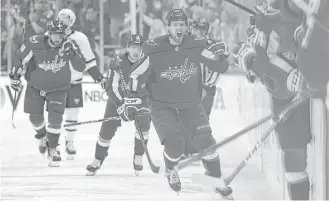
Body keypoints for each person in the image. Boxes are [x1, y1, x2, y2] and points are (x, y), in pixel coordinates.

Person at [119, 9, 233, 198]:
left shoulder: (196, 44)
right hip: (162, 106)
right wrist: (132, 99)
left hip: (191, 104)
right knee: (175, 143)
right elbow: (137, 74)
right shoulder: (153, 47)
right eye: (175, 25)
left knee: (207, 142)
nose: (179, 28)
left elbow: (219, 66)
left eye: (182, 24)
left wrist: (224, 54)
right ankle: (171, 169)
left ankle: (217, 181)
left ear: (186, 26)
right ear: (168, 27)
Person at [238, 1, 312, 199]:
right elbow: (258, 62)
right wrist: (285, 79)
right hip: (288, 100)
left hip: (314, 90)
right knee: (295, 162)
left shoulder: (319, 9)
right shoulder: (271, 14)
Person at [9, 19, 85, 167]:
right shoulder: (34, 43)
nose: (59, 38)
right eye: (55, 34)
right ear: (49, 34)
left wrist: (73, 55)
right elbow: (20, 58)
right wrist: (15, 76)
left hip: (59, 88)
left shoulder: (69, 45)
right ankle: (42, 136)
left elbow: (81, 67)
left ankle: (53, 149)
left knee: (55, 120)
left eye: (61, 34)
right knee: (34, 118)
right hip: (35, 87)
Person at [86, 34, 151, 176]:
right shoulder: (117, 62)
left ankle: (138, 155)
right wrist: (121, 104)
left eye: (139, 47)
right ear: (127, 48)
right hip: (119, 98)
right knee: (107, 128)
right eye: (133, 47)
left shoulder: (148, 61)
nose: (136, 51)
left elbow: (153, 85)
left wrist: (145, 100)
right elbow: (111, 87)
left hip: (140, 98)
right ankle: (97, 159)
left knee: (144, 124)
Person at [57, 9, 106, 159]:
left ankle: (70, 142)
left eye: (65, 18)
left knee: (72, 114)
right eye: (59, 17)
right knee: (55, 115)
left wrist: (100, 78)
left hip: (74, 82)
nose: (61, 20)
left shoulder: (80, 38)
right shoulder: (50, 36)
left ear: (71, 20)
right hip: (55, 84)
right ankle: (54, 143)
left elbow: (90, 61)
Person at [181, 17, 229, 162]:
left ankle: (195, 150)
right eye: (196, 29)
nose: (199, 33)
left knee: (202, 119)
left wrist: (223, 54)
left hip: (207, 89)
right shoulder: (184, 44)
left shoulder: (212, 45)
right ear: (191, 29)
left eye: (202, 30)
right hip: (187, 88)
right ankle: (184, 150)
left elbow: (223, 65)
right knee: (183, 118)